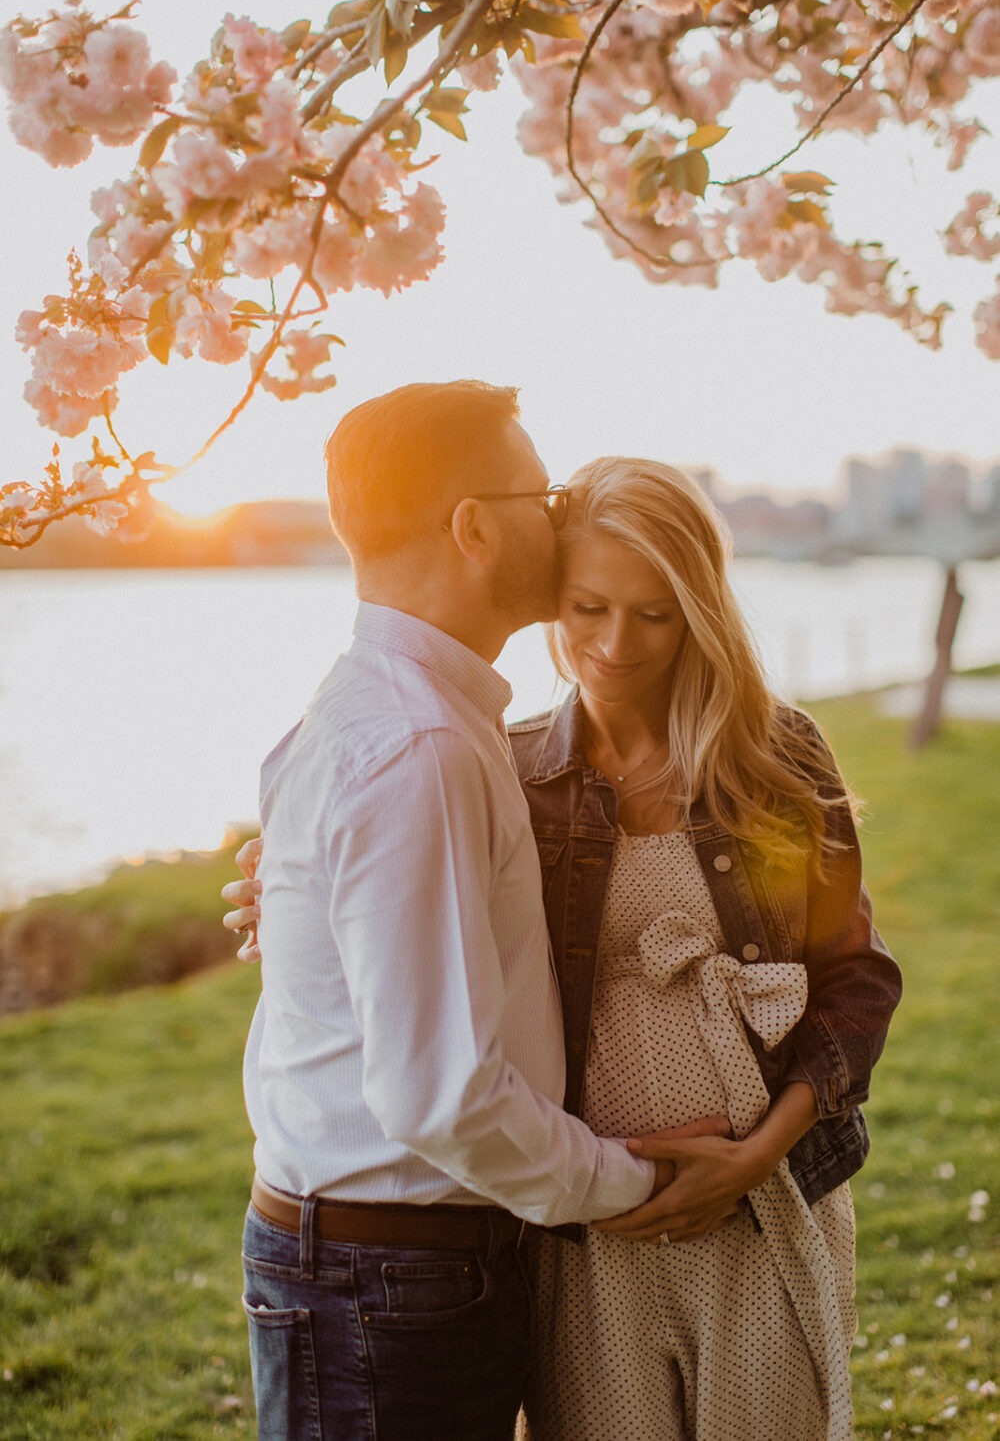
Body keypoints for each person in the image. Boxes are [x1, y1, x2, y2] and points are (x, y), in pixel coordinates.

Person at [228, 447, 901, 1440]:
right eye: (588, 608)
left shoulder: (775, 754)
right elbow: (386, 887)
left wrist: (760, 1152)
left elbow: (854, 976)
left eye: (654, 611)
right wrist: (282, 889)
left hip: (759, 1209)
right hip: (581, 1230)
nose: (616, 643)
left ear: (699, 607)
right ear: (553, 603)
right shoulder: (501, 772)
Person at [235, 382, 712, 1441]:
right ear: (474, 528)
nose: (558, 515)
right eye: (537, 493)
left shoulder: (389, 709)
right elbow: (440, 1098)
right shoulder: (424, 747)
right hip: (389, 1278)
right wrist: (635, 1183)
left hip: (384, 1263)